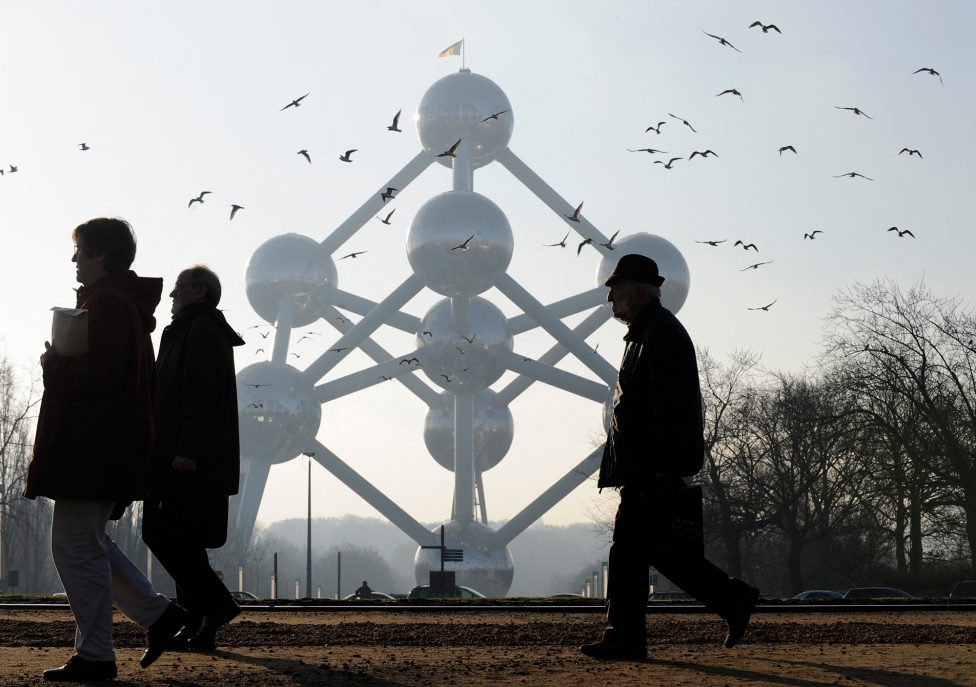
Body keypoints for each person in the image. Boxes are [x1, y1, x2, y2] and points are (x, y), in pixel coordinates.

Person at [25, 217, 187, 682]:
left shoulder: (108, 306)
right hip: (107, 445)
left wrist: (53, 364)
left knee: (74, 546)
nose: (74, 260)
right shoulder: (120, 305)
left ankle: (97, 653)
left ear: (101, 255)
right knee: (85, 541)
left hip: (91, 446)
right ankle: (158, 617)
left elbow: (99, 380)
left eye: (80, 251)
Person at [580, 253, 760, 661]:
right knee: (652, 553)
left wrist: (660, 466)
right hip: (648, 466)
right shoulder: (649, 334)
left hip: (651, 468)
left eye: (617, 291)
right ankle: (729, 600)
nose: (610, 301)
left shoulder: (659, 335)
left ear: (639, 292)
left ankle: (628, 636)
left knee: (634, 552)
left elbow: (671, 408)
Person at [142, 265, 244, 652]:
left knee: (161, 532)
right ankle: (201, 625)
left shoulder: (201, 332)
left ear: (199, 292)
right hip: (181, 455)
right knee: (184, 539)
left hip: (185, 459)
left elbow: (203, 399)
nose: (172, 297)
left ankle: (214, 607)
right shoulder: (190, 330)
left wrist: (188, 451)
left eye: (179, 290)